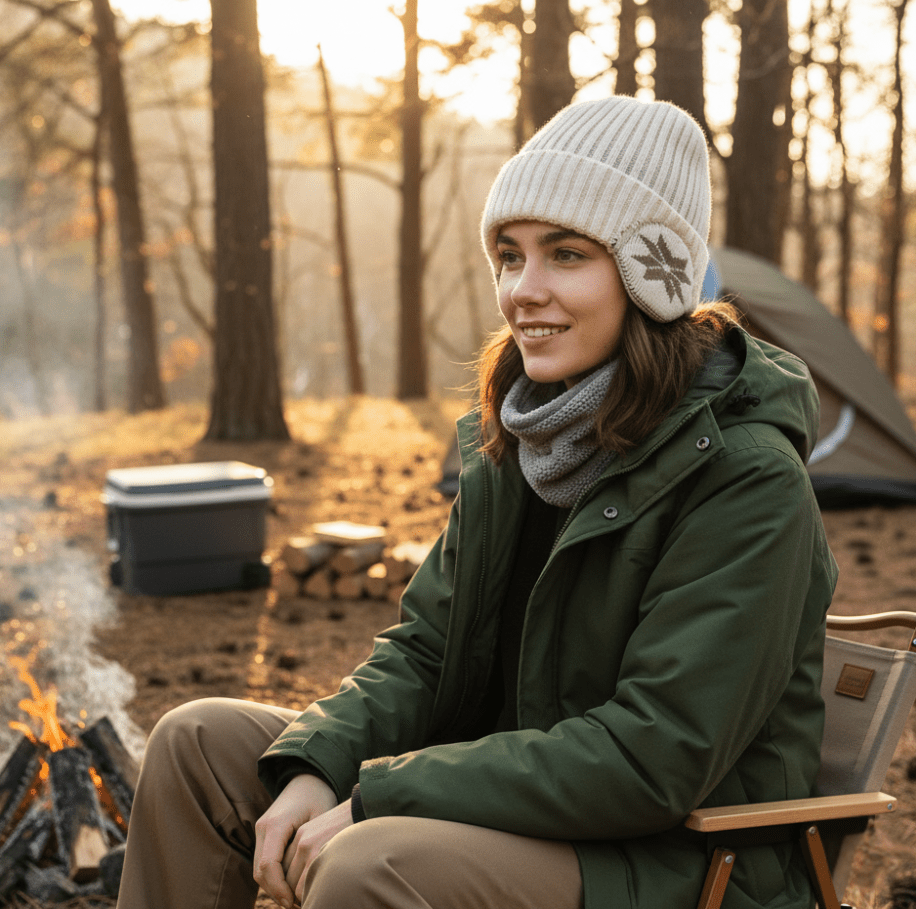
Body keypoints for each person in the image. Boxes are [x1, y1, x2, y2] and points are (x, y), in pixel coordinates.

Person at [117, 96, 837, 909]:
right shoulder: (521, 442)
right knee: (196, 744)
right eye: (507, 255)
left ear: (652, 275)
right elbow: (427, 652)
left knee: (367, 866)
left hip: (678, 858)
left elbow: (651, 759)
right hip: (521, 804)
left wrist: (382, 795)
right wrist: (317, 765)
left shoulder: (744, 479)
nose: (522, 290)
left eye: (565, 255)